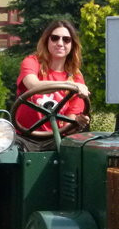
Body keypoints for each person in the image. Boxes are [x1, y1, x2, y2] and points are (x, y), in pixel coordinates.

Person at [15, 20, 90, 150]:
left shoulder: (77, 77)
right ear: (47, 41)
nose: (60, 43)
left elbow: (70, 118)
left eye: (66, 40)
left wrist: (77, 122)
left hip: (55, 139)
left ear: (72, 45)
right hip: (23, 138)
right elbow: (33, 85)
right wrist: (67, 84)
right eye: (55, 38)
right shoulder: (32, 62)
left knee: (80, 149)